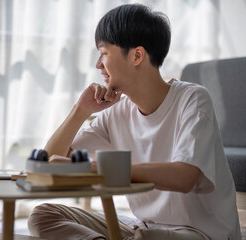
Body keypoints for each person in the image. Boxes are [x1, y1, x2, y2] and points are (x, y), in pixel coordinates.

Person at [27, 3, 241, 240]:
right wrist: (80, 110)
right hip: (145, 226)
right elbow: (48, 163)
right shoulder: (116, 113)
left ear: (137, 55)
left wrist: (92, 168)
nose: (98, 65)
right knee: (43, 215)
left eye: (104, 53)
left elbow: (184, 177)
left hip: (201, 233)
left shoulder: (192, 98)